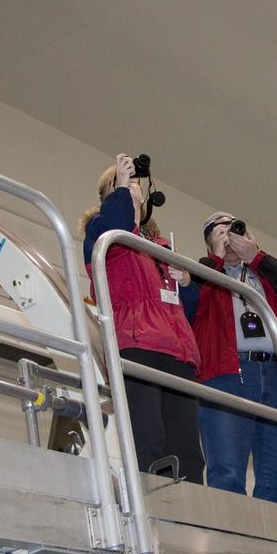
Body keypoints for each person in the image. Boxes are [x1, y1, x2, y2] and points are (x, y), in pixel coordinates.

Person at [81, 154, 204, 483]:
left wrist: (188, 284)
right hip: (137, 342)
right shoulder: (103, 232)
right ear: (110, 194)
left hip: (177, 349)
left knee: (187, 449)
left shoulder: (162, 247)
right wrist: (121, 191)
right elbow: (117, 226)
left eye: (136, 183)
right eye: (125, 182)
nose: (133, 187)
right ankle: (149, 512)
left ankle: (192, 522)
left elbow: (190, 311)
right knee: (148, 440)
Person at [189, 213, 277, 506]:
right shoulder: (201, 274)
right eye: (220, 232)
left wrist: (256, 257)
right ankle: (232, 541)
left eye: (235, 230)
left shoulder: (265, 276)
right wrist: (216, 260)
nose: (230, 237)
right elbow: (189, 303)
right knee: (227, 471)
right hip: (227, 372)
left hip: (274, 375)